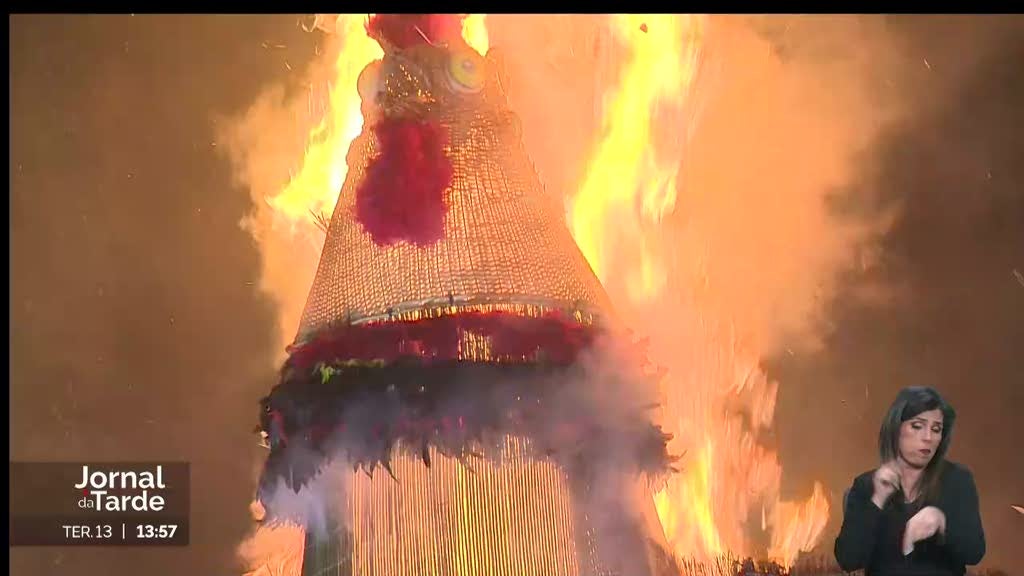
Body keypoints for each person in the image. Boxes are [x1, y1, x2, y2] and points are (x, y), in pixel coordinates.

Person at [834, 386, 985, 575]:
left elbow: (974, 552)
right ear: (896, 428)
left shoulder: (957, 481)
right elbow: (848, 559)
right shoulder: (865, 486)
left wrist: (942, 523)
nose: (928, 437)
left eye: (936, 429)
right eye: (917, 426)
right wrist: (877, 501)